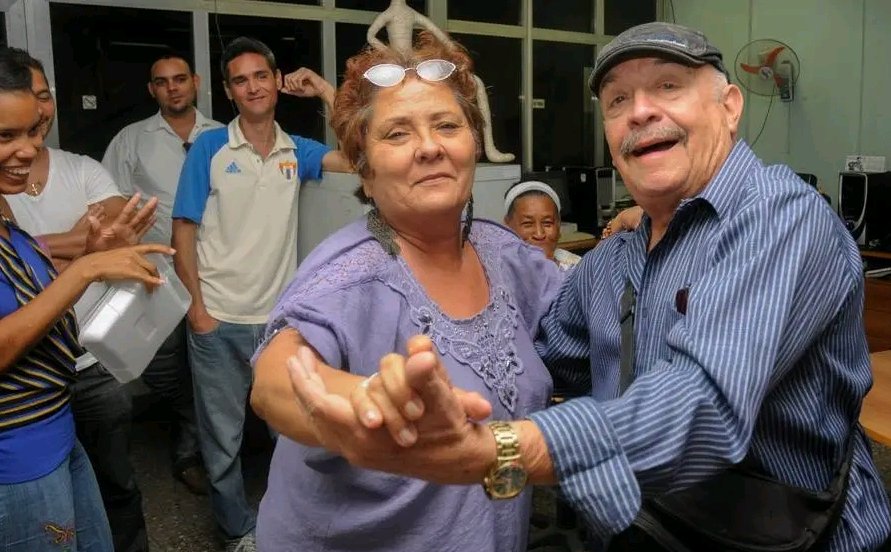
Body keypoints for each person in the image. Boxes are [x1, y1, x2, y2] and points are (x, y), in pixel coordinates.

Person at [286, 22, 891, 551]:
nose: (641, 111)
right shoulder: (615, 260)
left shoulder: (778, 216)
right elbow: (541, 355)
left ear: (731, 106)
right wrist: (394, 396)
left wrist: (495, 449)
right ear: (361, 160)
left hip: (789, 538)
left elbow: (700, 405)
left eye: (669, 87)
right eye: (618, 100)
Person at [248, 32, 563, 551]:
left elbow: (586, 313)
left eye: (446, 125)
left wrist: (648, 224)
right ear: (365, 172)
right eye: (397, 133)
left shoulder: (503, 253)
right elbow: (275, 381)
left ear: (472, 145)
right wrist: (362, 404)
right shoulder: (349, 273)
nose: (430, 146)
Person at [171, 36, 350, 552]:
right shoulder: (208, 147)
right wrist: (197, 310)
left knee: (291, 435)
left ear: (276, 82)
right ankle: (236, 531)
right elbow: (183, 231)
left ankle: (290, 523)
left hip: (278, 323)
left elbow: (361, 153)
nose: (253, 86)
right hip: (218, 320)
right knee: (222, 442)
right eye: (241, 80)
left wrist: (321, 89)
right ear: (229, 91)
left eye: (260, 76)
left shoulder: (300, 151)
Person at [0, 47, 172, 552]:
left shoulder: (6, 209)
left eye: (32, 132)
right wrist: (88, 268)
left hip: (56, 428)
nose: (28, 151)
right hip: (17, 454)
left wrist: (90, 250)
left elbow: (26, 291)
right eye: (5, 136)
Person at [102, 51, 221, 496]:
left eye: (179, 79)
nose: (172, 88)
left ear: (195, 83)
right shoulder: (132, 140)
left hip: (218, 273)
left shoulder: (223, 135)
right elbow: (110, 204)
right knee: (162, 365)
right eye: (161, 82)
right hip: (161, 275)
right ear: (152, 90)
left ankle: (194, 453)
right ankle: (194, 424)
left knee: (215, 364)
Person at [503, 179, 580, 271]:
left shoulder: (579, 270)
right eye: (528, 224)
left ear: (558, 225)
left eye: (547, 223)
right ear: (507, 227)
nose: (539, 234)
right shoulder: (495, 274)